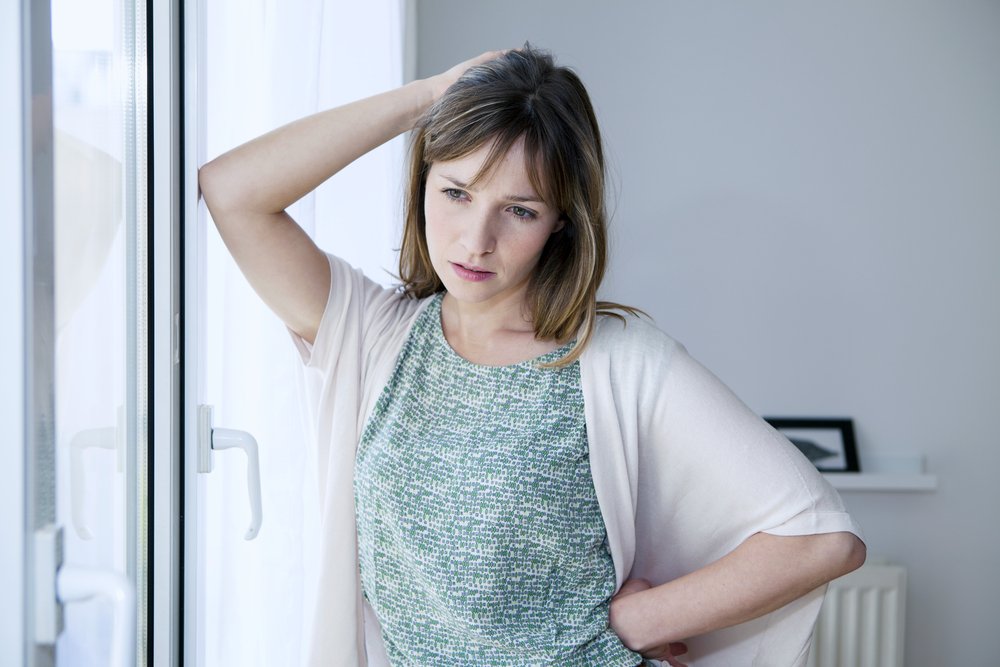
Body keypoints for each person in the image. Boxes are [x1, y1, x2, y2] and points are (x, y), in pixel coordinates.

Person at [199, 46, 865, 667]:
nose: (476, 240)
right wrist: (428, 99)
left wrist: (639, 619)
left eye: (518, 210)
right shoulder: (373, 334)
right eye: (456, 192)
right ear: (422, 183)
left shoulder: (618, 362)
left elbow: (822, 539)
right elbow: (231, 191)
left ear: (560, 224)